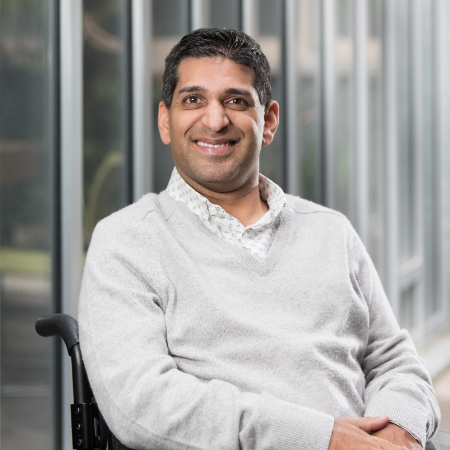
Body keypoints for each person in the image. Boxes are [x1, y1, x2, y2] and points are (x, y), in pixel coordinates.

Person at [78, 28, 439, 450]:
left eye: (236, 100)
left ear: (267, 122)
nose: (215, 120)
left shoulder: (331, 231)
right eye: (193, 99)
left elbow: (394, 361)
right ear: (165, 120)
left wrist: (399, 431)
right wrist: (320, 439)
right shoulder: (127, 242)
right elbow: (142, 403)